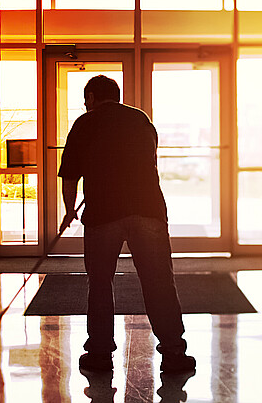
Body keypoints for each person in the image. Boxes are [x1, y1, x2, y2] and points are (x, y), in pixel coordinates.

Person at [58, 75, 195, 373]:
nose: (85, 104)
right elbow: (147, 160)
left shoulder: (85, 123)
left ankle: (99, 353)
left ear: (93, 97)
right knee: (159, 282)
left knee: (100, 283)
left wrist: (69, 210)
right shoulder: (141, 120)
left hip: (103, 213)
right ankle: (174, 353)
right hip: (148, 209)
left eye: (86, 99)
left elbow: (69, 175)